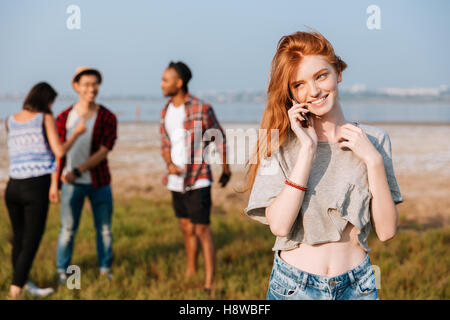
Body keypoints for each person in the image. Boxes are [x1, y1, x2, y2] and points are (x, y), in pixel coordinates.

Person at [244, 30, 404, 300]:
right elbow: (280, 227)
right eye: (300, 85)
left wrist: (373, 160)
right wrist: (307, 149)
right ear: (291, 93)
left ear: (338, 72)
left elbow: (387, 231)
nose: (314, 91)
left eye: (321, 76)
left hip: (359, 286)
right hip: (294, 287)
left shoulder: (374, 140)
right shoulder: (279, 144)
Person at [5, 82, 86, 299]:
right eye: (51, 101)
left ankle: (23, 282)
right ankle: (16, 289)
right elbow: (58, 151)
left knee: (19, 238)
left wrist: (53, 182)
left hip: (12, 186)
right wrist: (77, 133)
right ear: (46, 100)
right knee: (32, 239)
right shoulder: (44, 117)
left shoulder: (10, 120)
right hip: (34, 185)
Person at [159, 61, 231, 292]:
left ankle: (209, 282)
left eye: (165, 80)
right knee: (185, 227)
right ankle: (191, 269)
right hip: (175, 180)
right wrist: (169, 163)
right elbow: (165, 143)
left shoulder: (202, 108)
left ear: (179, 83)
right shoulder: (165, 110)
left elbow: (219, 136)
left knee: (201, 229)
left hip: (198, 176)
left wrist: (226, 168)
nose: (161, 84)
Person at [55, 67, 117, 284]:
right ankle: (64, 272)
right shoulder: (64, 117)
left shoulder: (107, 116)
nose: (91, 88)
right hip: (70, 184)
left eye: (95, 84)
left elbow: (104, 150)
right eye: (87, 84)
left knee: (105, 229)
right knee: (68, 229)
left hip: (99, 182)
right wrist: (55, 184)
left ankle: (105, 269)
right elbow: (57, 151)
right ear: (76, 86)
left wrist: (79, 171)